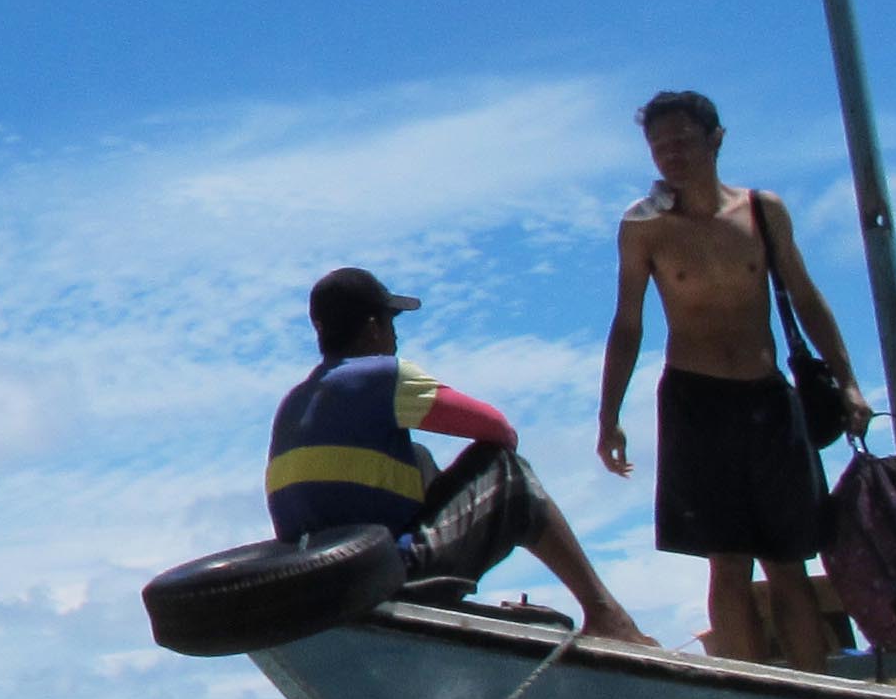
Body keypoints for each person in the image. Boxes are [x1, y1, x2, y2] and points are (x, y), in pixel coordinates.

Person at [597, 90, 870, 671]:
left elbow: (805, 294)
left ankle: (815, 688)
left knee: (789, 560)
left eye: (682, 141)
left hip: (767, 397)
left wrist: (848, 381)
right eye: (659, 146)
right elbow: (627, 323)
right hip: (696, 399)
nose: (671, 155)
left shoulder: (761, 211)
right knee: (726, 560)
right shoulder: (644, 227)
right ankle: (753, 690)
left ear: (716, 139)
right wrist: (609, 416)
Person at [270, 267, 650, 644]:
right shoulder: (380, 375)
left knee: (414, 456)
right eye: (391, 323)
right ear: (374, 328)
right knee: (507, 469)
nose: (395, 336)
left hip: (321, 585)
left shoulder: (294, 403)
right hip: (385, 576)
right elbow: (499, 430)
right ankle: (606, 614)